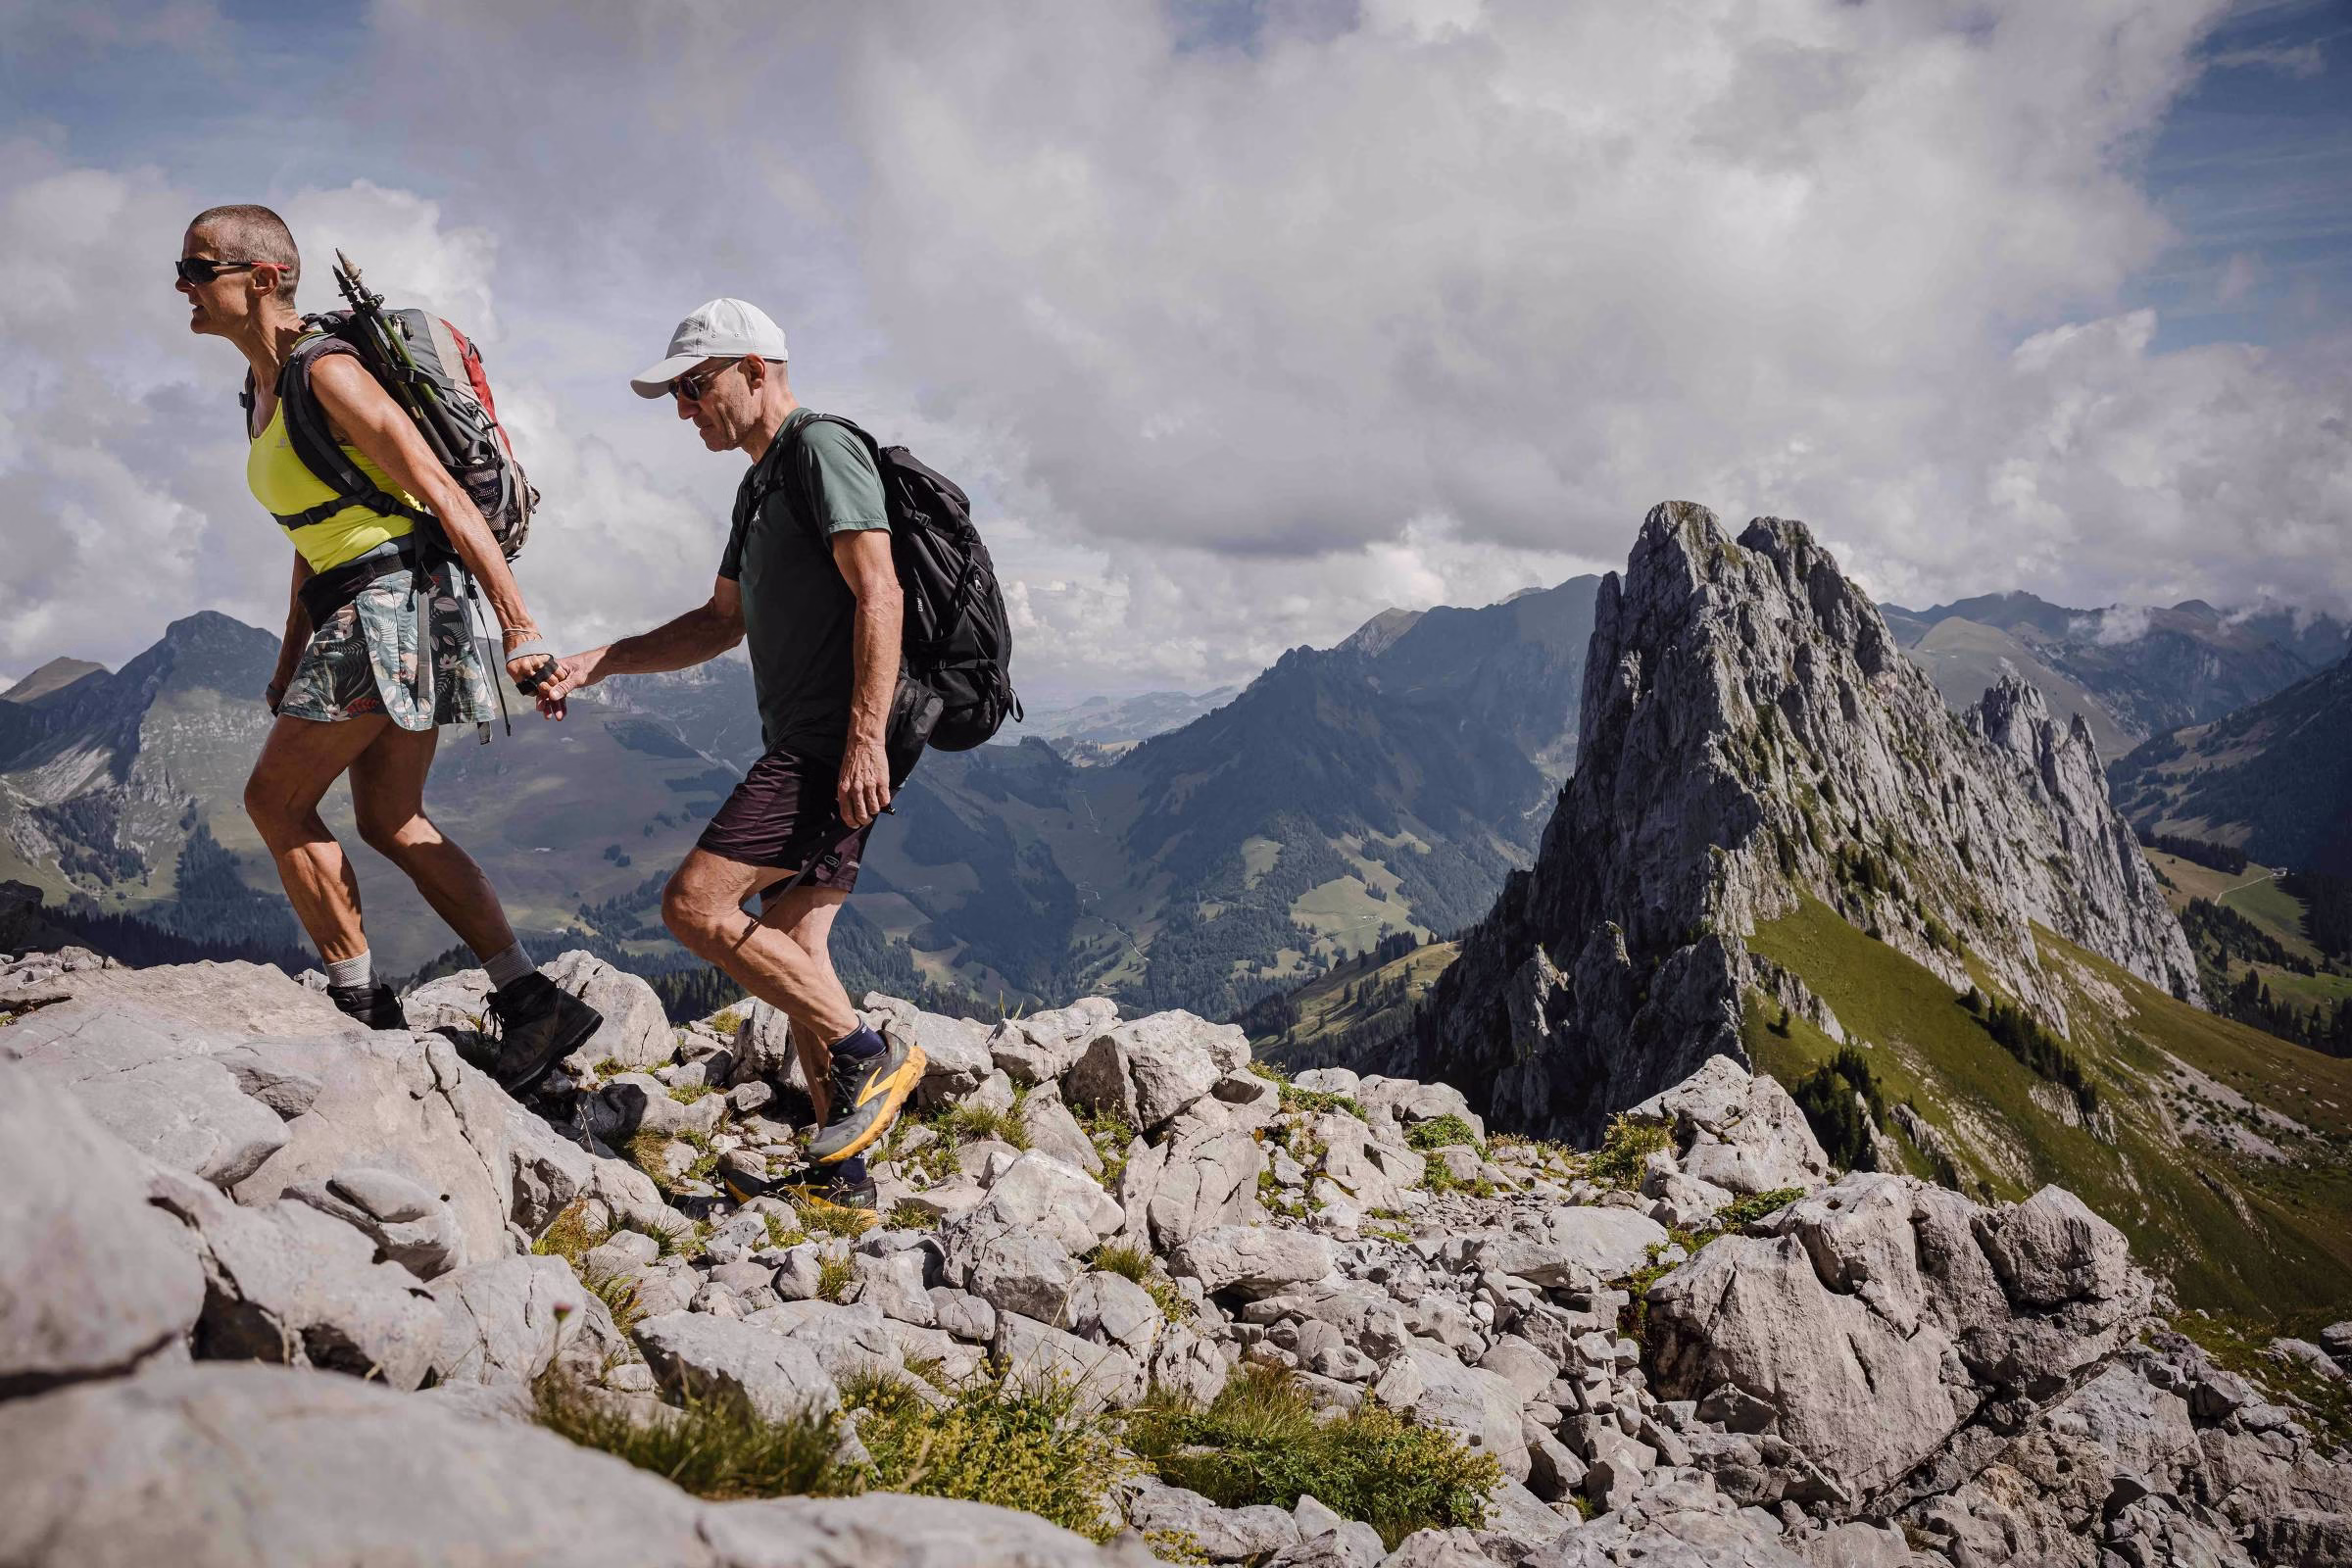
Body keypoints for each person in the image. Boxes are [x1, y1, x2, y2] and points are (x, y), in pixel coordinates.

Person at [178, 203, 601, 1093]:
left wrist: (521, 626)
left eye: (197, 267)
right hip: (376, 603)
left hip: (387, 604)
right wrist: (290, 655)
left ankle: (360, 1007)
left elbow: (439, 489)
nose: (181, 286)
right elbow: (311, 531)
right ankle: (532, 1001)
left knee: (274, 800)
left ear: (262, 278)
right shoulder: (260, 392)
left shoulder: (323, 371)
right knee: (390, 819)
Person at [534, 299, 924, 1209]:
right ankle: (843, 1176)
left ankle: (872, 1054)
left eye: (694, 385)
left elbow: (882, 592)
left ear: (756, 368)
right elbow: (719, 622)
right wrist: (603, 662)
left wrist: (864, 741)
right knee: (790, 945)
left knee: (694, 905)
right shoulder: (759, 484)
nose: (684, 409)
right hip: (819, 738)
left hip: (834, 739)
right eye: (676, 394)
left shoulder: (821, 451)